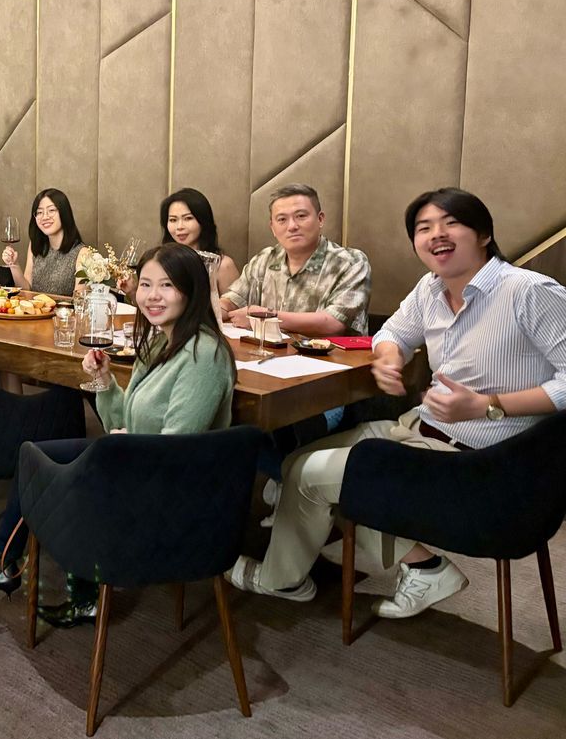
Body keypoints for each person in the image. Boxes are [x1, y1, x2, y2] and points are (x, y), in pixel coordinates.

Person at [227, 188, 566, 619]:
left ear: (483, 234)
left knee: (312, 476)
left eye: (451, 223)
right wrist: (390, 358)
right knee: (296, 462)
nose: (437, 234)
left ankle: (282, 579)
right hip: (420, 428)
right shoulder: (431, 288)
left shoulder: (529, 291)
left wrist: (488, 405)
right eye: (424, 228)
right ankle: (421, 566)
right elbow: (392, 334)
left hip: (483, 459)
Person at [0, 243, 235, 624]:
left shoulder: (204, 356)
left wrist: (125, 443)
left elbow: (175, 450)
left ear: (191, 289)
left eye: (166, 285)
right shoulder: (160, 342)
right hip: (137, 461)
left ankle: (80, 592)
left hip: (169, 489)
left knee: (70, 478)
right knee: (35, 455)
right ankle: (4, 565)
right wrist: (105, 380)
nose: (152, 296)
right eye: (146, 285)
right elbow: (123, 417)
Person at [220, 183, 371, 337]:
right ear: (272, 227)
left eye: (301, 216)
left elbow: (334, 323)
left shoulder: (350, 263)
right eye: (282, 219)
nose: (292, 226)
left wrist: (265, 317)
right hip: (267, 351)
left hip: (326, 352)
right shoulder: (264, 260)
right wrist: (217, 309)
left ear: (320, 219)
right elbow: (232, 301)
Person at [2, 188, 86, 295]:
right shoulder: (35, 245)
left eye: (51, 210)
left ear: (64, 213)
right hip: (34, 306)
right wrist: (14, 264)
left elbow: (80, 300)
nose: (45, 217)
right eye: (39, 212)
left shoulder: (82, 253)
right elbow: (26, 290)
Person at [160, 187, 240, 291]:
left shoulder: (222, 265)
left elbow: (235, 301)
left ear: (203, 221)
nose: (179, 227)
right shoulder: (161, 262)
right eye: (173, 220)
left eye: (188, 218)